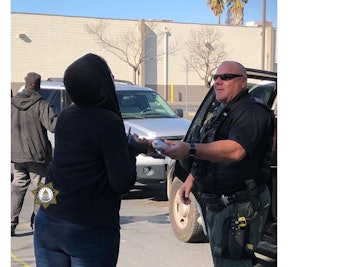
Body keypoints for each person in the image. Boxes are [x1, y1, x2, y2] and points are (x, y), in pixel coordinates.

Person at [33, 53, 154, 267]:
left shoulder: (65, 117)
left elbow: (75, 162)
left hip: (47, 219)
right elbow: (121, 182)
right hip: (88, 226)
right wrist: (133, 151)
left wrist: (44, 211)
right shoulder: (109, 121)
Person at [160, 61, 275, 267]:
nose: (218, 82)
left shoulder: (253, 112)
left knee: (234, 262)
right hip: (221, 204)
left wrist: (189, 149)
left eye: (226, 77)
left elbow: (235, 150)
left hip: (240, 205)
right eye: (216, 78)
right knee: (224, 259)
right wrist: (190, 180)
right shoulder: (224, 111)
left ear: (243, 82)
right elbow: (212, 149)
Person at [11, 72, 58, 236]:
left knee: (17, 188)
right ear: (38, 86)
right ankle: (40, 223)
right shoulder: (41, 104)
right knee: (44, 189)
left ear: (25, 84)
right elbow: (53, 126)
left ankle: (9, 223)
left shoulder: (12, 104)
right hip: (37, 156)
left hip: (17, 155)